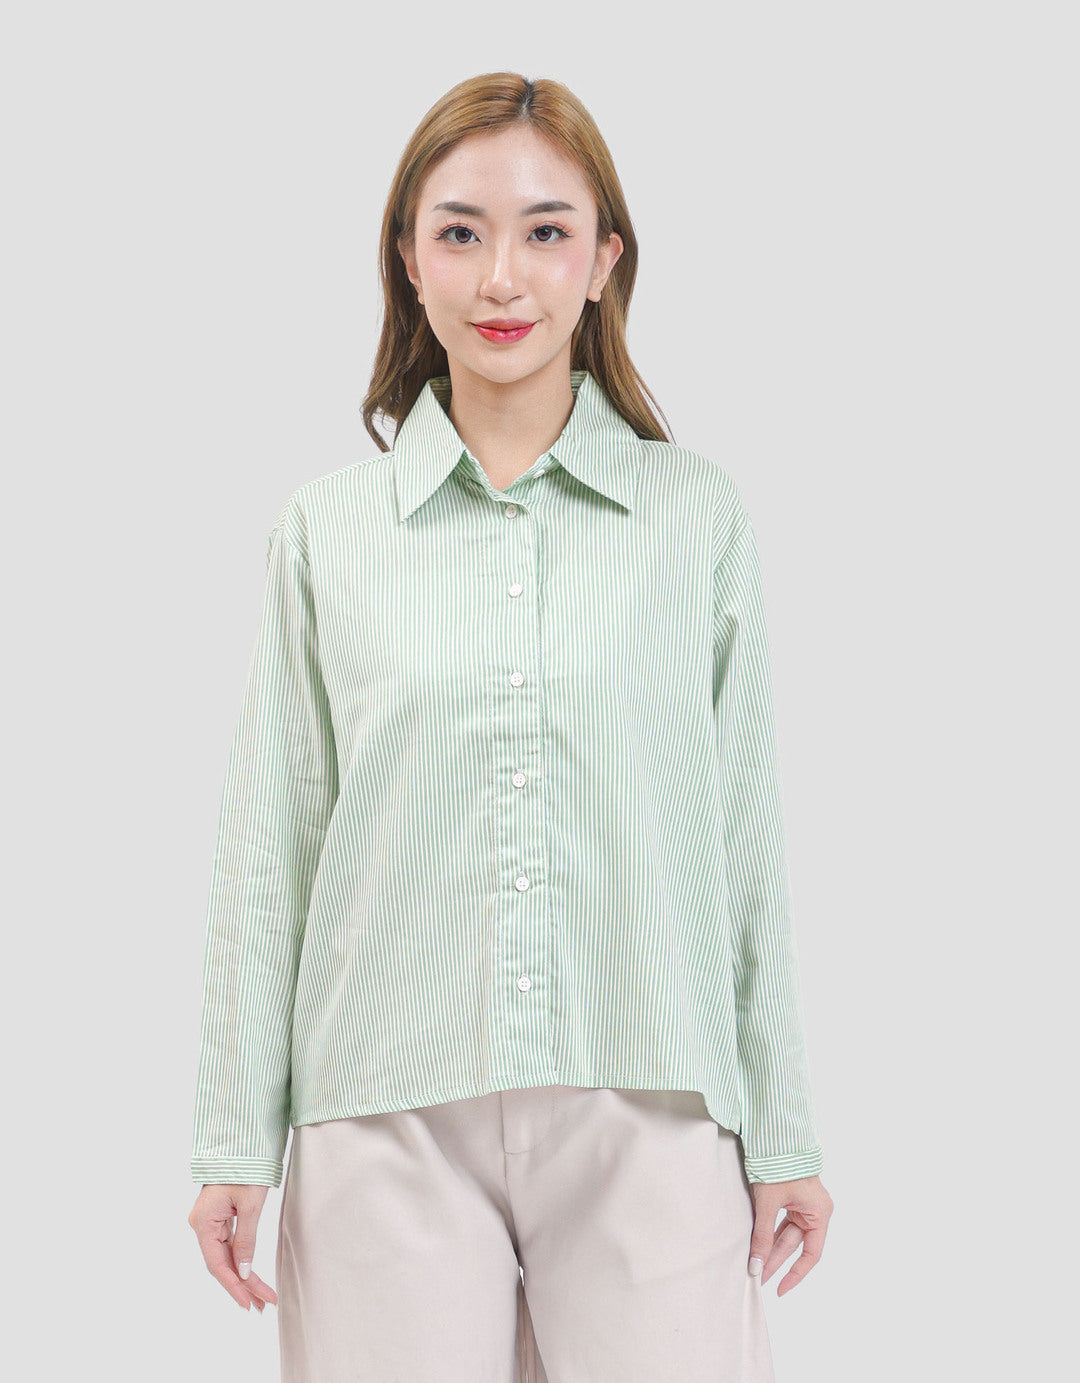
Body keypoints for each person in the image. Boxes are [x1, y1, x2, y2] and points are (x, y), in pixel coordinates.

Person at [187, 70, 834, 1382]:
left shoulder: (696, 520)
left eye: (546, 231)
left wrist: (783, 1132)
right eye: (460, 231)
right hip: (386, 1113)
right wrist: (232, 1140)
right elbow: (275, 846)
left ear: (604, 260)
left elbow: (742, 842)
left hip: (649, 1108)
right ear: (408, 261)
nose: (501, 278)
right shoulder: (326, 534)